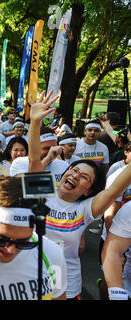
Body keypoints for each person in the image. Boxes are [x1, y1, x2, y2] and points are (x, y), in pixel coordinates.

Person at [28, 90, 131, 300]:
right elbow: (33, 159)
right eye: (73, 170)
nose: (75, 175)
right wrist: (35, 122)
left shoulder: (86, 209)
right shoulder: (42, 192)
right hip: (28, 276)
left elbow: (115, 189)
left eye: (84, 177)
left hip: (67, 283)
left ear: (89, 190)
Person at [101, 200, 131, 300]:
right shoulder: (129, 209)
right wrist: (118, 295)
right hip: (127, 289)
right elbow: (112, 251)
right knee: (106, 281)